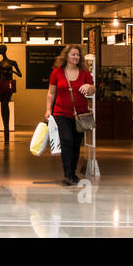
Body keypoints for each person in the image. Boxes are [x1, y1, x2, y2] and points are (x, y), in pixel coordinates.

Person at [45, 45, 94, 185]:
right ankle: (67, 174)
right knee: (67, 141)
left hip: (80, 115)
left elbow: (93, 89)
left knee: (76, 144)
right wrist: (48, 109)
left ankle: (72, 173)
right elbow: (51, 93)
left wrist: (90, 87)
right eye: (73, 54)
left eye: (78, 55)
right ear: (66, 56)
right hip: (61, 113)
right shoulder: (57, 72)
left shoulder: (84, 72)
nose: (76, 57)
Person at [0, 45, 22, 135]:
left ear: (4, 50)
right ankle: (5, 127)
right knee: (3, 104)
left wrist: (12, 72)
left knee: (5, 103)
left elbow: (20, 74)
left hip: (9, 85)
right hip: (2, 85)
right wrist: (1, 73)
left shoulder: (12, 62)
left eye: (0, 49)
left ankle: (6, 127)